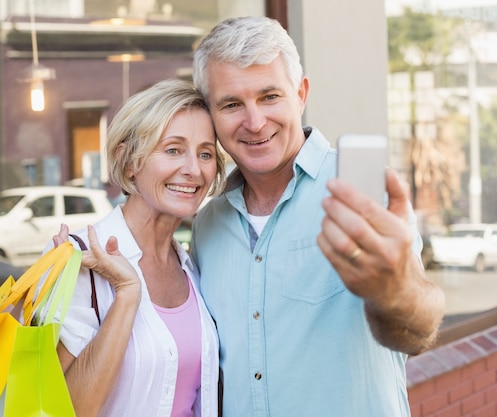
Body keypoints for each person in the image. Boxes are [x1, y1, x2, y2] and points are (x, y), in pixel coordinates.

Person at [190, 16, 446, 416]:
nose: (255, 123)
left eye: (270, 96)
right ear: (210, 113)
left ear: (301, 93)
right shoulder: (207, 225)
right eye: (232, 104)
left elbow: (418, 331)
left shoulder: (361, 193)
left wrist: (395, 288)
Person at [49, 78, 226, 417]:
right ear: (128, 160)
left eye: (205, 153)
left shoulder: (191, 265)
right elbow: (67, 410)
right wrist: (128, 292)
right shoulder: (75, 259)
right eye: (173, 149)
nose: (193, 169)